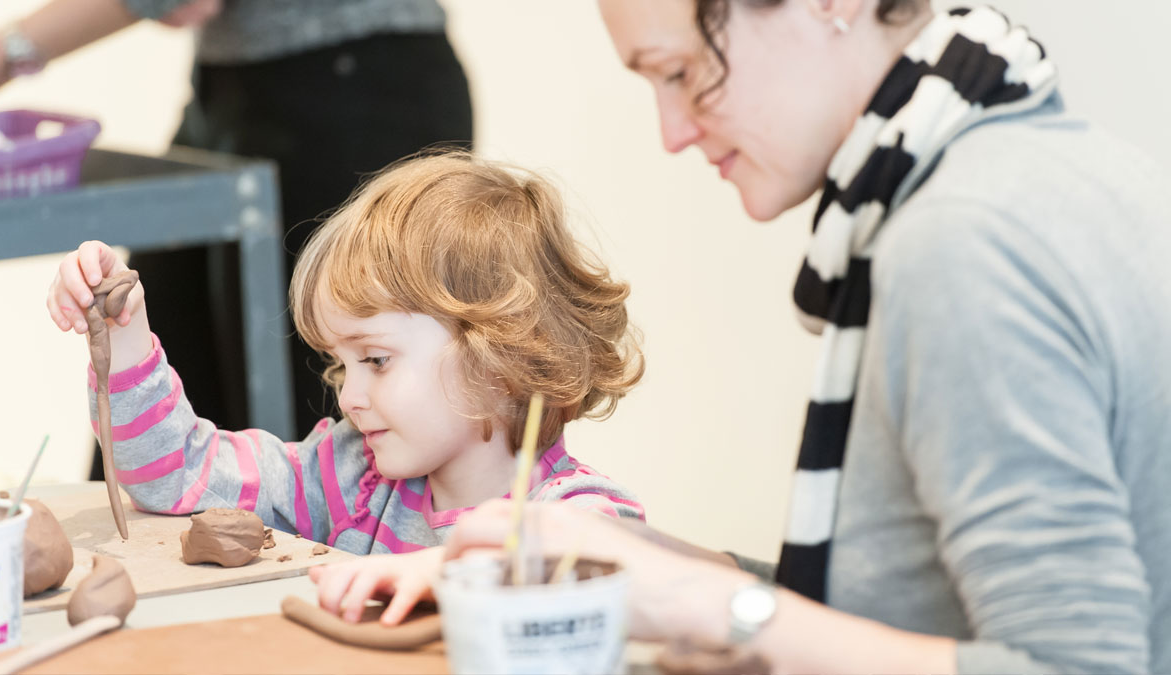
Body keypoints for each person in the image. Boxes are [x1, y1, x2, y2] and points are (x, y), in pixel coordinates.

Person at [420, 2, 1164, 673]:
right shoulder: (1057, 170)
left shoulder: (958, 242)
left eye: (681, 73)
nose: (672, 131)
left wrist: (704, 604)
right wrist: (667, 565)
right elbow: (916, 615)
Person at [45, 153, 647, 616]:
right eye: (343, 363)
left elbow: (615, 569)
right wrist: (123, 336)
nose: (349, 396)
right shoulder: (348, 476)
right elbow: (175, 474)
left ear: (498, 357)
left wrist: (448, 570)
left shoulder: (577, 510)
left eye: (377, 360)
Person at [0, 0, 474, 444]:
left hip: (353, 87)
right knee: (169, 387)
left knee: (319, 435)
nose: (355, 396)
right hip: (235, 86)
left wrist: (1, 52)